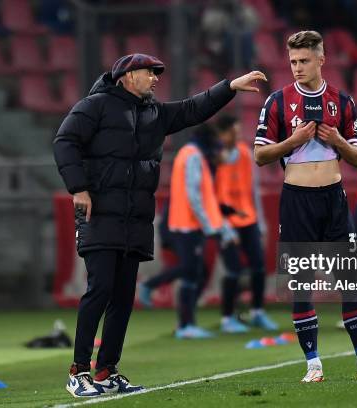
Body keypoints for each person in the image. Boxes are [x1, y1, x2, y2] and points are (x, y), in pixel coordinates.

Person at [53, 52, 266, 397]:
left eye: (156, 73)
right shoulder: (93, 107)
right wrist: (78, 188)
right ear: (125, 76)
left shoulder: (154, 113)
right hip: (100, 215)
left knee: (123, 297)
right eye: (148, 73)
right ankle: (78, 371)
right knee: (100, 289)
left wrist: (229, 87)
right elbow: (64, 142)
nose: (155, 78)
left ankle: (106, 370)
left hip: (135, 220)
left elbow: (193, 108)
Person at [253, 31, 357, 382]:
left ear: (321, 59)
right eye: (293, 61)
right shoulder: (278, 102)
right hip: (296, 201)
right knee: (301, 284)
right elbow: (260, 155)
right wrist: (292, 141)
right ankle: (313, 365)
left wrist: (338, 140)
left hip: (333, 198)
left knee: (350, 280)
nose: (297, 68)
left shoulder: (342, 102)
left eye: (304, 60)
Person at [166, 124, 239, 338]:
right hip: (188, 224)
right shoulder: (194, 156)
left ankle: (186, 324)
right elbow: (194, 194)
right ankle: (186, 325)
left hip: (186, 222)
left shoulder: (189, 153)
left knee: (194, 273)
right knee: (191, 274)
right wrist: (207, 225)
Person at [214, 114, 278, 333]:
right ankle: (227, 318)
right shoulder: (213, 158)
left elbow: (253, 189)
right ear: (221, 134)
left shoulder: (243, 153)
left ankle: (258, 312)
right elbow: (210, 194)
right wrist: (221, 225)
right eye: (232, 132)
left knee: (258, 267)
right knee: (232, 271)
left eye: (238, 131)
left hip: (248, 219)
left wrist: (260, 221)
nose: (237, 136)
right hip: (225, 222)